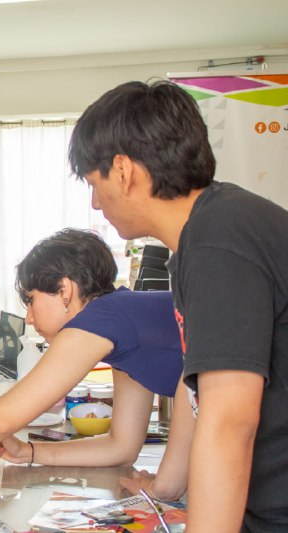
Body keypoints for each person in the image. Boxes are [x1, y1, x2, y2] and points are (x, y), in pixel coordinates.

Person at [69, 80, 288, 532]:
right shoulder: (210, 231)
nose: (95, 201)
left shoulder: (218, 242)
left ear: (124, 170)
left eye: (95, 183)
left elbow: (230, 421)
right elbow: (201, 399)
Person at [0, 228, 183, 470]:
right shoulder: (121, 325)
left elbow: (3, 418)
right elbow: (121, 447)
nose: (29, 318)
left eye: (31, 300)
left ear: (65, 291)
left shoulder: (101, 321)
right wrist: (28, 452)